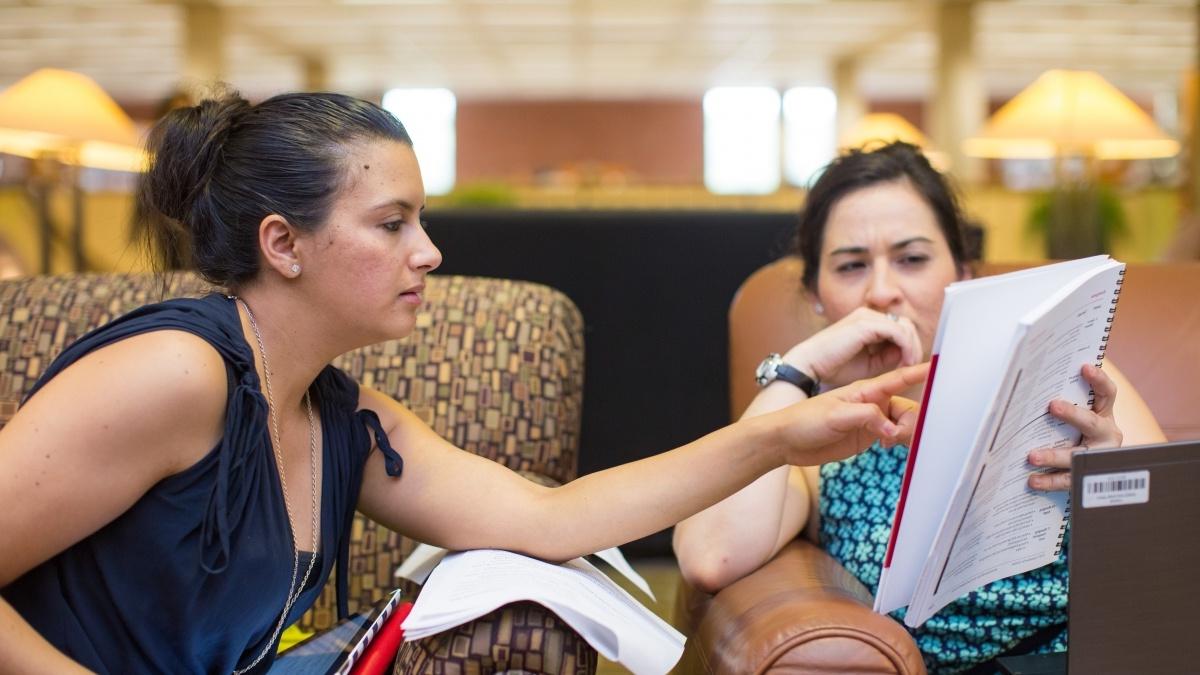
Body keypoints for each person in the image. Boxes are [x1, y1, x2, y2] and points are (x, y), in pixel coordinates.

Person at [0, 92, 930, 674]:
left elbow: (556, 520)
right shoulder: (178, 372)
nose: (429, 251)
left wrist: (779, 433)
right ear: (282, 244)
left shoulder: (338, 415)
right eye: (392, 223)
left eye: (423, 220)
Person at [673, 141, 1166, 674]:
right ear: (816, 294)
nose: (882, 291)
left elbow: (1175, 557)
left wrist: (1110, 478)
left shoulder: (1065, 379)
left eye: (912, 259)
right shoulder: (812, 432)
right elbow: (710, 556)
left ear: (963, 273)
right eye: (850, 266)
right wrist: (797, 371)